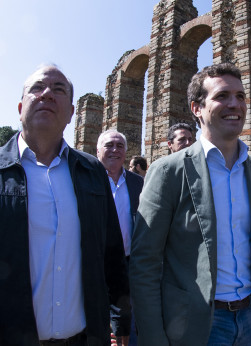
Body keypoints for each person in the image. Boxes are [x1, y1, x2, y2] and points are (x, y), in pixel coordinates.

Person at [0, 64, 129, 345]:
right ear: (20, 107)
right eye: (37, 88)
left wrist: (119, 318)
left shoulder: (91, 173)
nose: (48, 94)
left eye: (59, 89)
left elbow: (112, 255)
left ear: (71, 113)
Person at [130, 63, 251, 346]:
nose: (235, 104)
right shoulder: (168, 171)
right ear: (197, 108)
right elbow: (144, 263)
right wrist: (152, 336)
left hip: (249, 320)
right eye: (222, 96)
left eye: (240, 96)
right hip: (195, 326)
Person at [97, 129, 143, 346]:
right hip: (94, 262)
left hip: (126, 261)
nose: (115, 150)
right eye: (109, 145)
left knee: (126, 316)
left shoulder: (137, 183)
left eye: (120, 146)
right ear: (98, 150)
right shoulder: (87, 179)